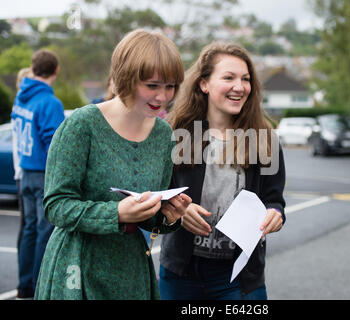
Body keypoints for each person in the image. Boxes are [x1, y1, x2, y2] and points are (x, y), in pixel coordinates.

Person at [34, 29, 191, 300]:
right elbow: (55, 206)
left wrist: (168, 217)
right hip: (77, 264)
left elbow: (151, 216)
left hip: (131, 269)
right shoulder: (82, 125)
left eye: (171, 86)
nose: (163, 97)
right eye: (152, 85)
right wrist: (116, 214)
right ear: (126, 78)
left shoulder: (164, 135)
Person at [159, 42, 286, 300]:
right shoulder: (174, 134)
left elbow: (274, 200)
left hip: (239, 276)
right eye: (229, 77)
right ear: (204, 84)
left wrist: (275, 213)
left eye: (245, 79)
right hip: (181, 272)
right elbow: (157, 193)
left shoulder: (265, 139)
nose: (239, 87)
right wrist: (178, 209)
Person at [10, 51, 65, 299]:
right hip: (43, 173)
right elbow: (54, 143)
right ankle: (38, 286)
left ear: (33, 68)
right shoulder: (49, 102)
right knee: (45, 232)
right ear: (56, 71)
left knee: (30, 229)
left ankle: (24, 285)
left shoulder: (22, 98)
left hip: (26, 172)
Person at [12, 67, 33, 253]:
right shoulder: (25, 103)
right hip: (24, 169)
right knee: (28, 224)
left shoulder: (19, 104)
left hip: (22, 168)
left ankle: (23, 276)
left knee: (27, 224)